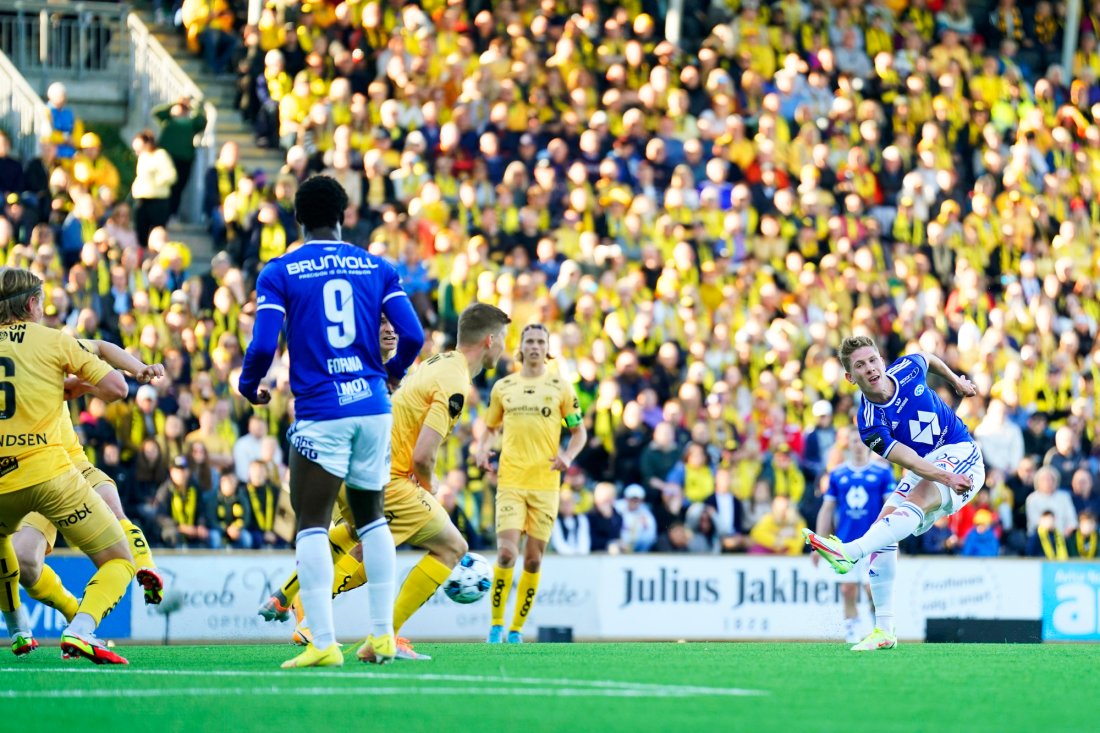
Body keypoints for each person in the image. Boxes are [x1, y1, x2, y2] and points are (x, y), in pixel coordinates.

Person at [237, 175, 425, 669]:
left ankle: (324, 643)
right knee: (373, 519)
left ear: (297, 219)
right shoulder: (376, 267)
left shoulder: (280, 271)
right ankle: (382, 636)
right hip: (371, 407)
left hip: (321, 411)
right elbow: (413, 334)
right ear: (344, 216)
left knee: (313, 525)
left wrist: (247, 383)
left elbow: (261, 346)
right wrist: (391, 373)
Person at [804, 336, 985, 652]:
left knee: (913, 503)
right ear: (850, 378)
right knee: (884, 525)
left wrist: (956, 381)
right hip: (928, 467)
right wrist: (943, 475)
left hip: (960, 451)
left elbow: (928, 358)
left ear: (881, 359)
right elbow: (911, 461)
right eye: (860, 365)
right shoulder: (870, 424)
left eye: (872, 359)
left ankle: (851, 552)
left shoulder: (907, 368)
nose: (870, 368)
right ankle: (884, 629)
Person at [0, 267, 132, 663]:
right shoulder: (55, 340)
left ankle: (18, 627)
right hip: (50, 475)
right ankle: (81, 628)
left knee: (5, 545)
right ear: (32, 304)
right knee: (118, 560)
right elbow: (116, 388)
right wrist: (82, 386)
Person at [11, 338, 166, 637]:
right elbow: (99, 383)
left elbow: (100, 350)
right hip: (33, 473)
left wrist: (138, 368)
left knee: (113, 508)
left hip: (70, 462)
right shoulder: (35, 351)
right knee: (25, 563)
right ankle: (74, 611)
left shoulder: (45, 344)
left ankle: (146, 567)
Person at [476, 322, 586, 643]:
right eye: (530, 341)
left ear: (547, 348)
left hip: (546, 484)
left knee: (534, 559)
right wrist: (483, 448)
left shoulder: (561, 388)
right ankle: (497, 625)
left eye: (540, 341)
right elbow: (490, 427)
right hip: (510, 481)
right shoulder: (503, 387)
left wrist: (567, 456)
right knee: (507, 554)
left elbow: (578, 432)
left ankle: (516, 629)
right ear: (521, 348)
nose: (535, 346)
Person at [814, 440, 895, 644]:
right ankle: (852, 631)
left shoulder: (882, 472)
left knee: (872, 589)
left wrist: (894, 542)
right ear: (848, 446)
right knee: (847, 589)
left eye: (861, 442)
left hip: (874, 542)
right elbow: (827, 509)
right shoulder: (838, 474)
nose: (858, 445)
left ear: (868, 445)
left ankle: (880, 628)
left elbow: (892, 507)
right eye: (853, 441)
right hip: (846, 542)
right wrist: (818, 543)